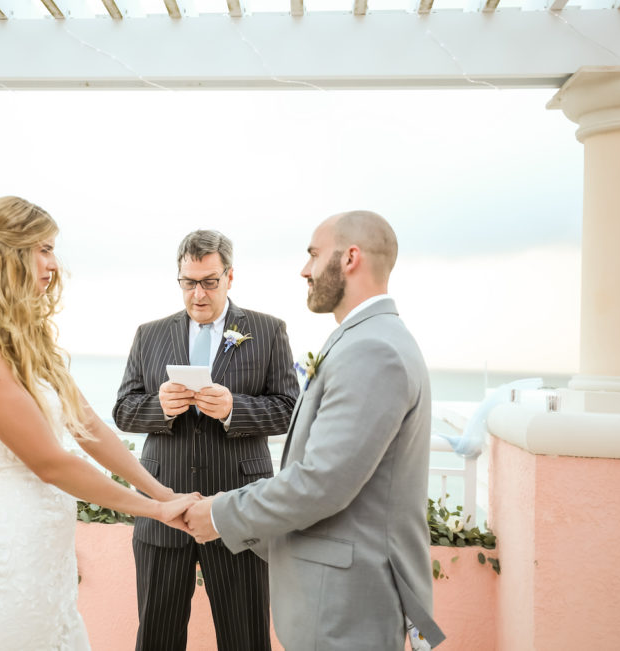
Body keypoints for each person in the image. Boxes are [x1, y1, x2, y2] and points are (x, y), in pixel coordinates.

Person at [0, 196, 197, 650]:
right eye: (43, 248)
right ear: (6, 253)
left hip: (49, 556)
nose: (53, 264)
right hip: (10, 554)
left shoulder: (27, 338)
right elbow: (50, 463)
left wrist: (165, 494)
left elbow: (88, 427)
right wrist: (155, 512)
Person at [184, 211, 446, 650]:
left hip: (343, 607)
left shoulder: (372, 349)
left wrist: (219, 514)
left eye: (313, 254)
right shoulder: (364, 338)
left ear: (350, 258)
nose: (304, 269)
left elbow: (321, 482)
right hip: (334, 601)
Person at [113, 229, 299, 651]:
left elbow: (289, 409)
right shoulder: (149, 334)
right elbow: (123, 409)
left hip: (238, 509)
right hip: (163, 509)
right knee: (157, 637)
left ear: (230, 277)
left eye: (209, 282)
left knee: (246, 638)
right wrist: (159, 406)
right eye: (188, 282)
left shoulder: (268, 330)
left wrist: (235, 408)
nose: (198, 294)